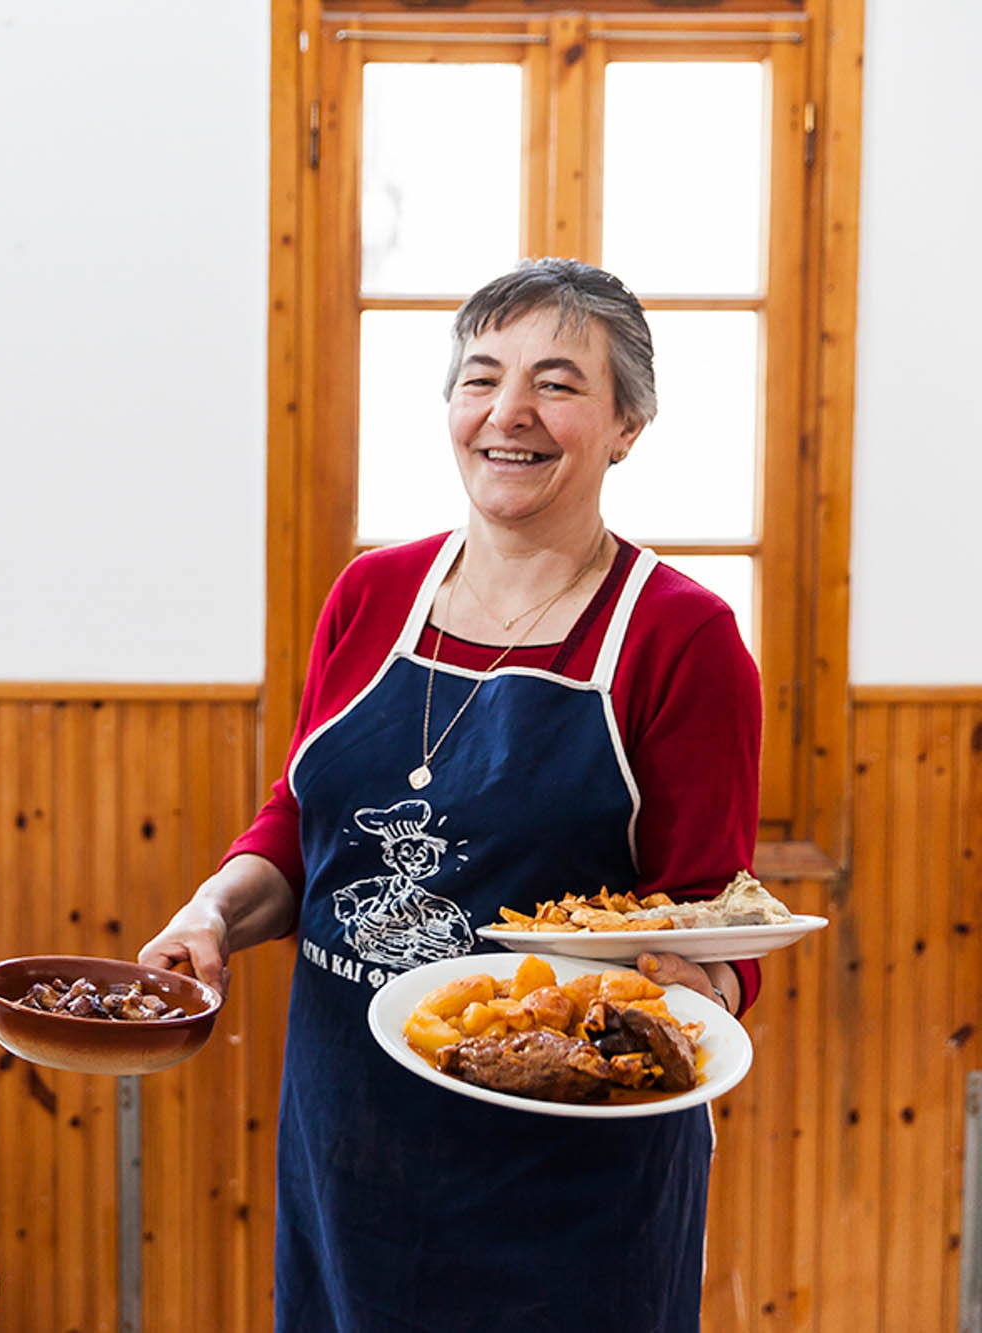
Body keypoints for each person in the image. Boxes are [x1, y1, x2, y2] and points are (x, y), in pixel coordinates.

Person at [140, 258, 762, 1332]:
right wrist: (208, 916)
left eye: (557, 383)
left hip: (562, 1183)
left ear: (626, 426)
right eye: (479, 378)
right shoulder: (371, 594)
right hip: (349, 1142)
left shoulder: (676, 637)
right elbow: (300, 824)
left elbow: (707, 916)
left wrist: (697, 991)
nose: (506, 413)